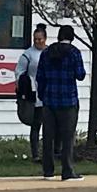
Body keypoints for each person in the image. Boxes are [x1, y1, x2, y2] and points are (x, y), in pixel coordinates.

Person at [36, 25, 86, 181]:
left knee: (48, 136)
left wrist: (43, 94)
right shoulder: (74, 53)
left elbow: (40, 76)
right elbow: (80, 75)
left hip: (49, 99)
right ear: (71, 37)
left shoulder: (46, 52)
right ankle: (67, 170)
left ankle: (48, 171)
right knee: (67, 136)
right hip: (68, 100)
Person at [15, 23, 47, 162]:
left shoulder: (50, 52)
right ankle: (35, 154)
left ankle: (50, 152)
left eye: (40, 39)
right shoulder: (28, 55)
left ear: (45, 38)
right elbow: (19, 73)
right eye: (36, 39)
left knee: (49, 125)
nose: (38, 42)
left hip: (48, 93)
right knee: (35, 124)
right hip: (34, 93)